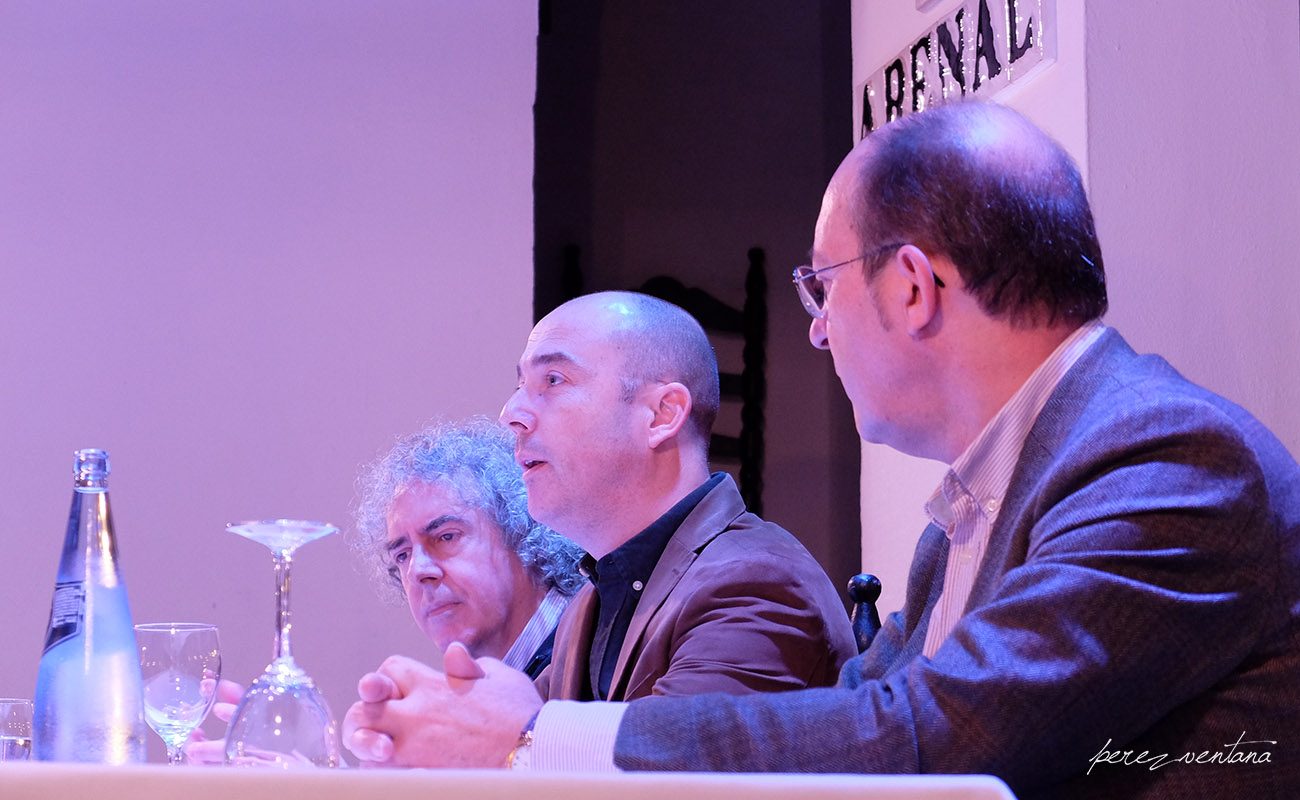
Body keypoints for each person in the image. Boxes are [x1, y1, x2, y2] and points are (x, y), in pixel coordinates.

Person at [340, 102, 1300, 796]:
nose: (816, 331)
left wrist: (536, 737)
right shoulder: (982, 502)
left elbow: (938, 740)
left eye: (822, 287)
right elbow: (862, 715)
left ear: (914, 288)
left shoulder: (1167, 459)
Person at [188, 418, 583, 763]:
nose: (419, 572)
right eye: (403, 555)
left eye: (446, 537)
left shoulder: (593, 642)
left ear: (526, 534)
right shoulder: (472, 687)